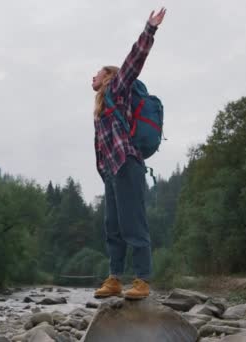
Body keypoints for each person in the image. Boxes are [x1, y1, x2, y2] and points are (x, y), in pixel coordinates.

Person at [91, 7, 166, 300]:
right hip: (111, 171)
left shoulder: (118, 90)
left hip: (128, 164)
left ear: (108, 76)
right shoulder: (100, 109)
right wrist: (103, 173)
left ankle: (143, 281)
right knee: (112, 227)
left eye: (97, 72)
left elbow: (135, 60)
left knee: (133, 223)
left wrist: (149, 29)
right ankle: (114, 279)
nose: (92, 76)